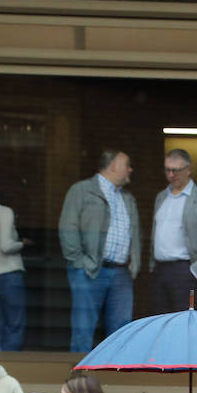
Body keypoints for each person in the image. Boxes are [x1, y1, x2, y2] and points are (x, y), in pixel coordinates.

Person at [59, 150, 140, 353]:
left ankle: (117, 380)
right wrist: (80, 262)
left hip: (122, 273)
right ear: (113, 166)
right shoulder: (82, 190)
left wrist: (134, 263)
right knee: (83, 330)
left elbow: (135, 233)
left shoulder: (127, 197)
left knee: (122, 331)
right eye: (127, 165)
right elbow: (68, 228)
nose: (130, 169)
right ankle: (79, 382)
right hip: (90, 270)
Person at [150, 148, 197, 314]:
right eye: (167, 170)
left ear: (189, 170)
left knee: (185, 323)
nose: (171, 174)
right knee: (160, 322)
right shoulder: (161, 197)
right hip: (160, 270)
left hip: (185, 270)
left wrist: (195, 272)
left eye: (176, 170)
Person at [0, 202, 28, 351]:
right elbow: (6, 246)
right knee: (15, 322)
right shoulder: (5, 211)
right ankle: (13, 358)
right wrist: (22, 243)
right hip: (9, 273)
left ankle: (0, 357)